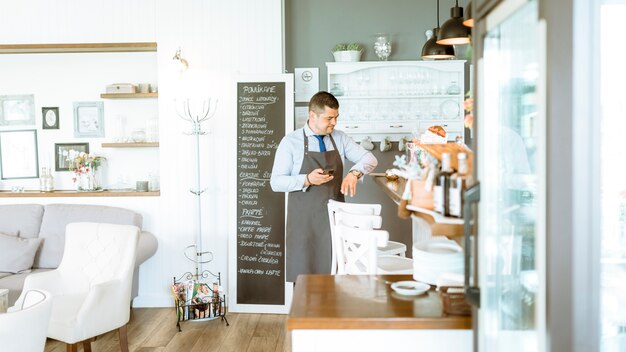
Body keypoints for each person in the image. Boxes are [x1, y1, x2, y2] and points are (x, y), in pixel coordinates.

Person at [270, 91, 377, 283]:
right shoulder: (290, 142)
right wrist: (306, 179)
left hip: (335, 221)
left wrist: (355, 173)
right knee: (304, 279)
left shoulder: (340, 138)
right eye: (329, 118)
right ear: (312, 115)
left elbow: (369, 158)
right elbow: (276, 182)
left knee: (335, 275)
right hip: (304, 223)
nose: (334, 123)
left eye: (336, 117)